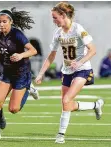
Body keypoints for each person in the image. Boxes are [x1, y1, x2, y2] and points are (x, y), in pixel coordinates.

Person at [35, 2, 104, 144]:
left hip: (82, 70)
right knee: (67, 105)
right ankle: (95, 105)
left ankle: (60, 135)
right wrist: (41, 73)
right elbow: (51, 56)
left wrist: (80, 62)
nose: (53, 21)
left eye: (55, 18)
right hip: (66, 72)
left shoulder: (78, 29)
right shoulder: (58, 33)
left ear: (63, 15)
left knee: (66, 100)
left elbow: (93, 49)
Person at [0, 7, 39, 140]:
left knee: (13, 109)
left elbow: (33, 50)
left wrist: (21, 55)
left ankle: (28, 88)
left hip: (21, 74)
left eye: (4, 21)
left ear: (10, 22)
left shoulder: (17, 34)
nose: (1, 24)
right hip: (6, 73)